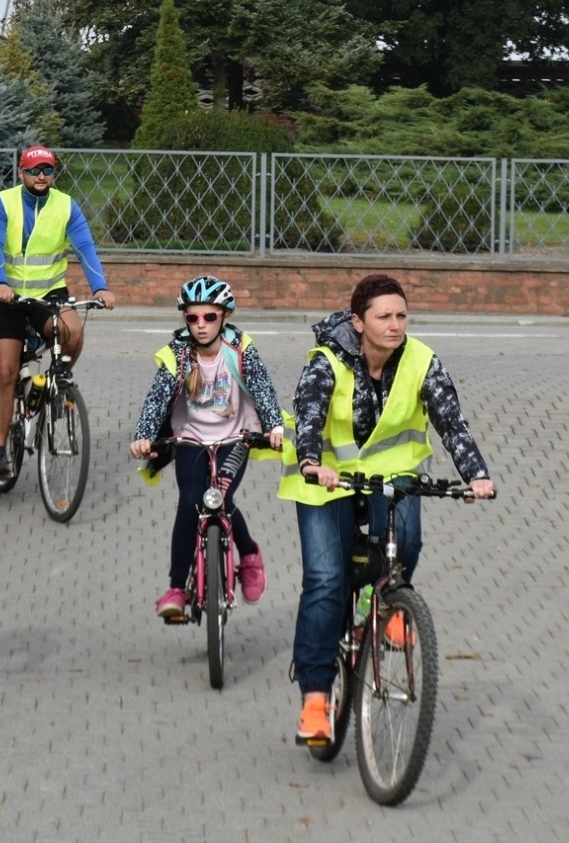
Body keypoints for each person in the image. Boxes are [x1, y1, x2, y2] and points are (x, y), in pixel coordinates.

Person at [283, 273, 495, 744]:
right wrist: (312, 461)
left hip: (389, 474)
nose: (396, 325)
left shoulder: (422, 361)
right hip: (326, 479)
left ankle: (383, 606)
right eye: (384, 316)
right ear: (358, 322)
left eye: (402, 315)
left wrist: (475, 474)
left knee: (407, 539)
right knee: (324, 582)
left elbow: (451, 421)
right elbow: (310, 411)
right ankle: (316, 699)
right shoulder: (327, 361)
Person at [130, 275, 286, 618]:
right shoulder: (179, 353)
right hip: (191, 438)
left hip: (236, 438)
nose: (201, 326)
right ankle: (176, 587)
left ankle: (248, 556)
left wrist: (274, 426)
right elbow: (157, 398)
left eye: (209, 317)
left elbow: (262, 387)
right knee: (189, 500)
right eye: (192, 318)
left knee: (222, 499)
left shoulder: (241, 348)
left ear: (225, 317)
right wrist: (144, 435)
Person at [0, 145, 115, 480]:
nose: (41, 176)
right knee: (6, 371)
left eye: (47, 170)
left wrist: (100, 287)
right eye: (34, 170)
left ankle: (57, 384)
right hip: (3, 296)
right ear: (21, 172)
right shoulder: (1, 202)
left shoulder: (66, 205)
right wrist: (0, 282)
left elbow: (84, 247)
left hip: (47, 292)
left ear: (54, 174)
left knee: (72, 333)